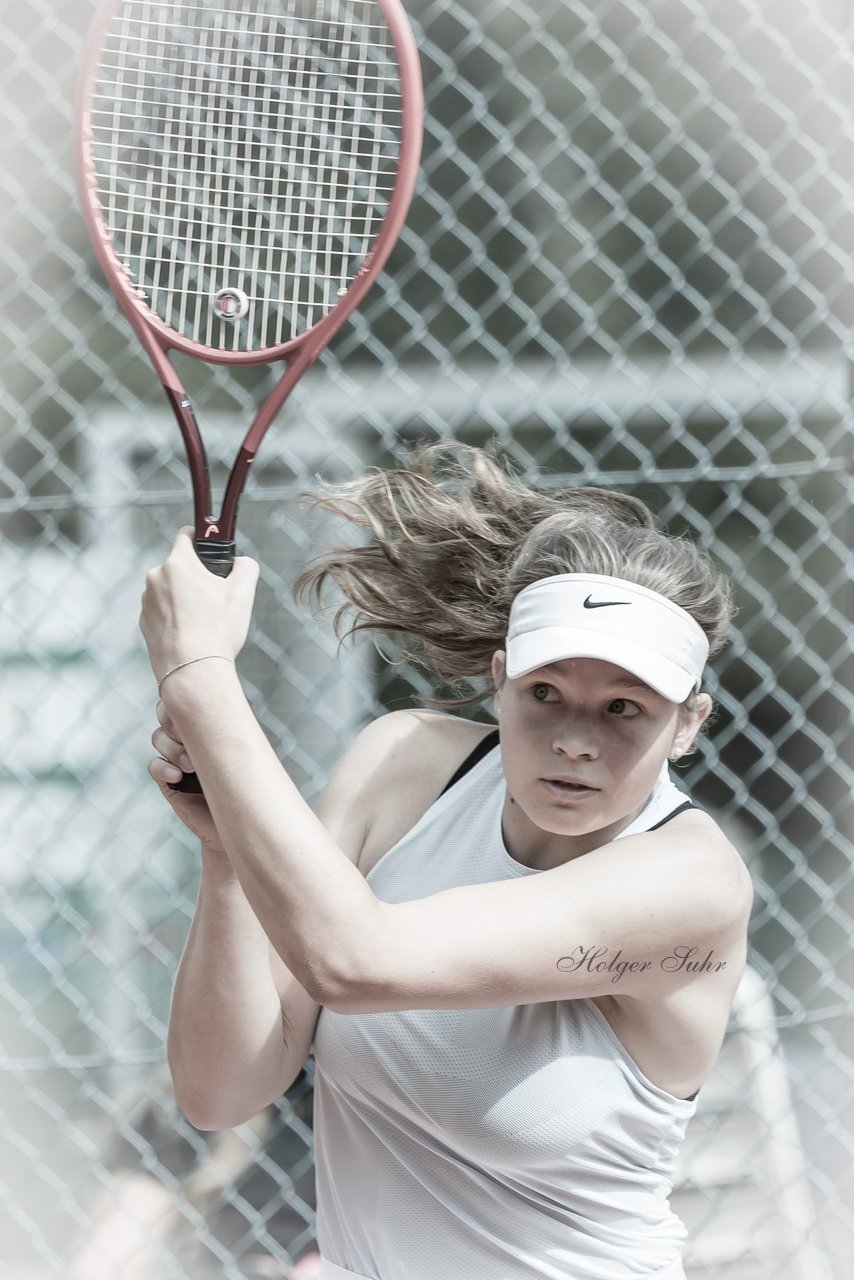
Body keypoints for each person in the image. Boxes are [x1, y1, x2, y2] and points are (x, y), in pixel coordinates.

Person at [140, 441, 754, 1280]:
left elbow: (357, 962)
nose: (576, 739)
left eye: (624, 708)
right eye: (546, 694)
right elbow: (220, 1091)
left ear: (687, 723)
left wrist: (201, 675)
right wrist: (228, 857)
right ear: (499, 680)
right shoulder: (407, 766)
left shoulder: (689, 882)